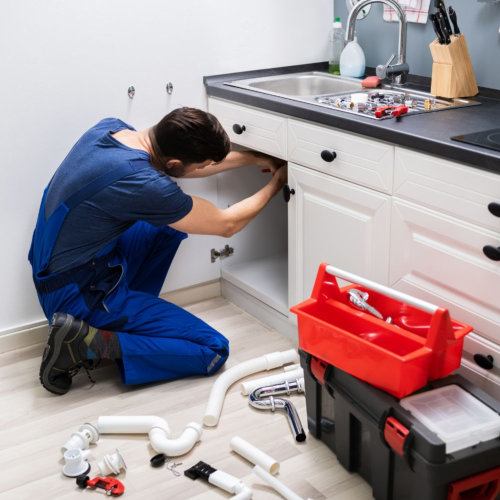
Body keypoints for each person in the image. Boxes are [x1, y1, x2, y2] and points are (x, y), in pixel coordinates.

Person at [29, 107, 287, 395]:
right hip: (76, 295)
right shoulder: (142, 183)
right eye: (199, 167)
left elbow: (182, 171)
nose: (202, 171)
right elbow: (227, 224)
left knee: (166, 226)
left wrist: (254, 158)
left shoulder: (111, 130)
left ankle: (124, 321)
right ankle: (87, 342)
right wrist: (278, 181)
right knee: (212, 349)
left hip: (59, 268)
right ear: (174, 162)